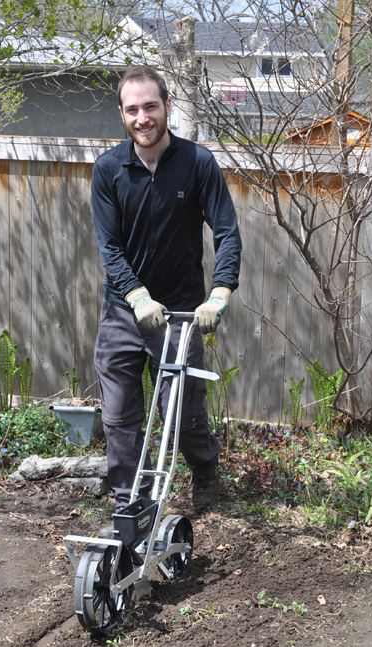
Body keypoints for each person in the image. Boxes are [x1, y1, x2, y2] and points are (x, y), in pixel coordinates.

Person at [91, 65, 242, 512]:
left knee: (182, 413)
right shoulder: (108, 170)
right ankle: (129, 499)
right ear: (122, 114)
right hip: (124, 310)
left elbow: (227, 232)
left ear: (167, 106)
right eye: (133, 109)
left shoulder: (197, 163)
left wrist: (220, 292)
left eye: (150, 106)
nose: (143, 117)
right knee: (118, 414)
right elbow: (109, 245)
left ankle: (204, 469)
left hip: (179, 313)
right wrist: (136, 296)